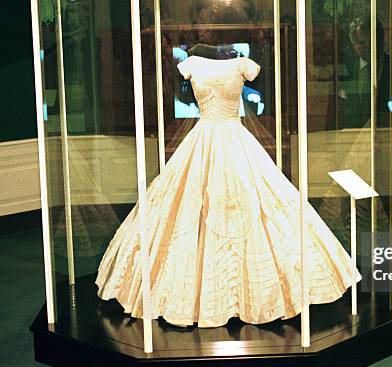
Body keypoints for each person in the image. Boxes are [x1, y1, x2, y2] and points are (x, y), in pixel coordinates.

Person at [95, 55, 361, 328]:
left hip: (237, 140)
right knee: (188, 207)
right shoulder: (189, 65)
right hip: (202, 139)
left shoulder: (244, 65)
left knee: (259, 204)